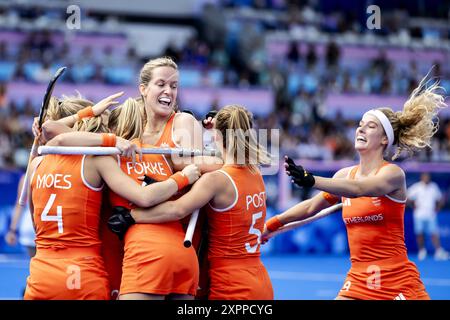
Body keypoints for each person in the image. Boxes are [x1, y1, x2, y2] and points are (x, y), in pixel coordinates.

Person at [263, 76, 447, 300]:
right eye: (360, 125)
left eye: (370, 127)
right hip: (359, 280)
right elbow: (311, 206)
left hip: (398, 281)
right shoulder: (344, 176)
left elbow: (360, 189)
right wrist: (270, 226)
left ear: (383, 140)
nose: (361, 129)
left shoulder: (393, 174)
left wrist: (311, 180)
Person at [25, 94, 200, 300]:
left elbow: (52, 131)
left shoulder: (36, 163)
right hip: (87, 271)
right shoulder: (103, 159)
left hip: (42, 271)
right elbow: (147, 197)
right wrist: (183, 176)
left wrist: (86, 116)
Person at [110, 105, 274, 300]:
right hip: (259, 278)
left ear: (216, 136)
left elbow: (177, 209)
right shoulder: (255, 172)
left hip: (231, 284)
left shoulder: (216, 180)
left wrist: (131, 216)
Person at [407, 173, 448, 261]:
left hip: (431, 215)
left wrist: (438, 208)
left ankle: (438, 251)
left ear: (429, 178)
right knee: (419, 234)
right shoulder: (416, 187)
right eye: (424, 177)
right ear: (421, 178)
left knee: (434, 233)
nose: (426, 178)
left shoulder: (434, 187)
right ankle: (422, 251)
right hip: (419, 215)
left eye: (428, 177)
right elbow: (408, 197)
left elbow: (440, 199)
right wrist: (413, 206)